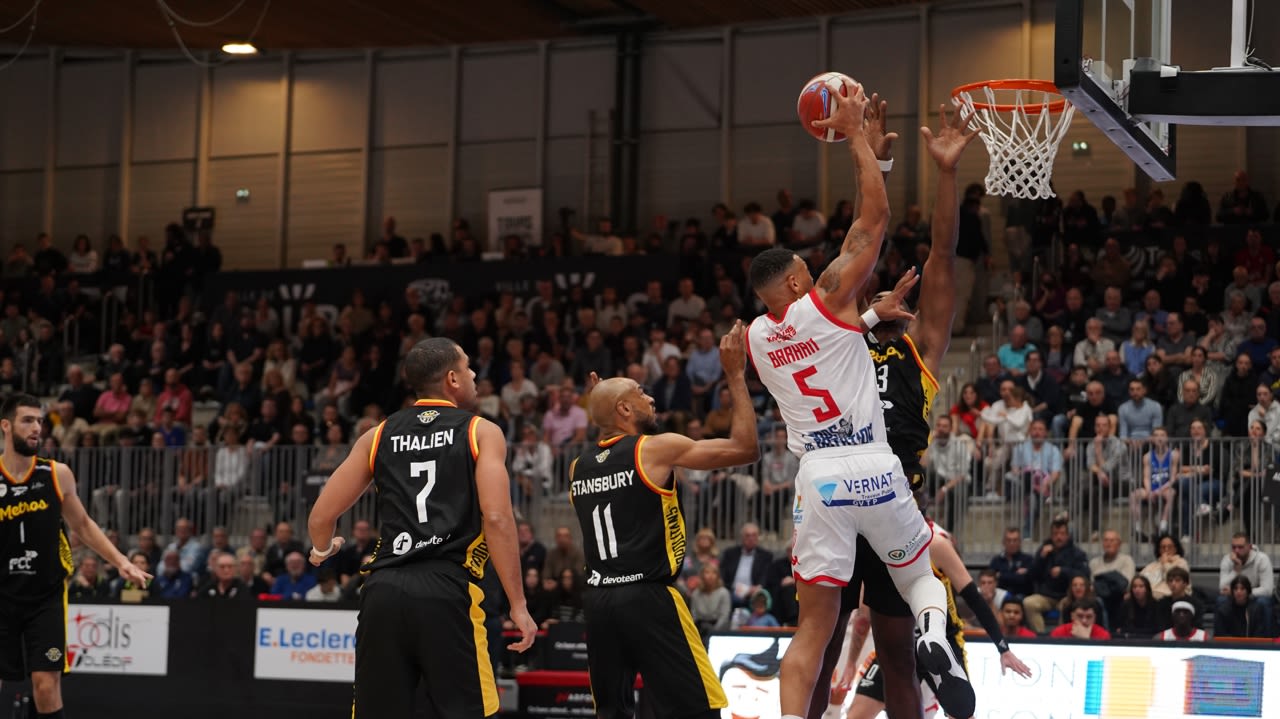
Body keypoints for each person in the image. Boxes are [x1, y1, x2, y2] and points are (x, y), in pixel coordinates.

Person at [745, 81, 973, 719]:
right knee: (831, 650)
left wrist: (945, 176)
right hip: (879, 487)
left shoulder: (913, 349)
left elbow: (944, 259)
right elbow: (859, 243)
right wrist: (871, 157)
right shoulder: (844, 327)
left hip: (839, 485)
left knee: (877, 653)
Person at [818, 97, 985, 719]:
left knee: (837, 635)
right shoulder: (866, 343)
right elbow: (856, 260)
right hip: (888, 502)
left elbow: (932, 257)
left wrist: (938, 173)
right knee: (876, 642)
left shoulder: (874, 347)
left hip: (849, 498)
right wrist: (889, 170)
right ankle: (933, 639)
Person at [306, 338, 536, 718]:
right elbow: (496, 518)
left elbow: (320, 517)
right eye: (467, 367)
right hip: (447, 589)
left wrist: (322, 549)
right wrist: (518, 603)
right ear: (452, 379)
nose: (475, 373)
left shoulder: (377, 434)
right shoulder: (481, 431)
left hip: (382, 590)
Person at [571, 324, 757, 719]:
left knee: (612, 712)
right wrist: (736, 376)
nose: (650, 397)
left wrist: (605, 404)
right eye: (639, 392)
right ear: (624, 410)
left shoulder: (578, 466)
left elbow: (610, 448)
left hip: (600, 602)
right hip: (648, 597)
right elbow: (745, 448)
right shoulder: (654, 449)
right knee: (698, 708)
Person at [0, 393, 152, 718]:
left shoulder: (57, 474)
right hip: (1, 595)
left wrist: (122, 561)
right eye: (27, 420)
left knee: (45, 685)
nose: (36, 428)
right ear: (5, 426)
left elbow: (83, 524)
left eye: (39, 421)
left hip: (45, 596)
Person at [838, 524, 1032, 719]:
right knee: (858, 714)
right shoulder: (876, 541)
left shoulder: (936, 543)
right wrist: (851, 662)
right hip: (900, 640)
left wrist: (1002, 647)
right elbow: (864, 615)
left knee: (960, 711)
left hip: (940, 639)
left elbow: (974, 598)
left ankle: (935, 640)